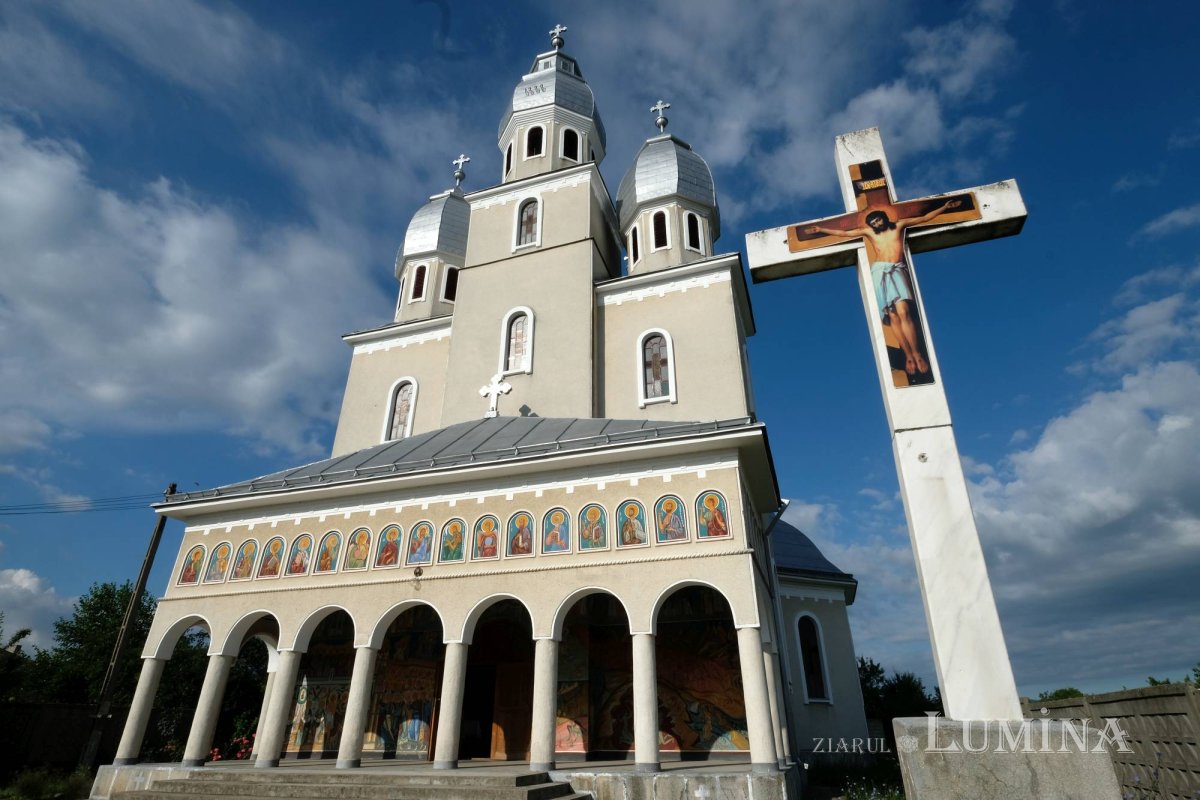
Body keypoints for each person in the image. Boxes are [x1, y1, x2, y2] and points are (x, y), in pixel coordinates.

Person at [804, 198, 961, 380]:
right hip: (879, 271)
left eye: (878, 220)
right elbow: (844, 233)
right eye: (873, 222)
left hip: (896, 269)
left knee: (904, 312)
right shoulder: (870, 232)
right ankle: (908, 355)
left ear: (883, 217)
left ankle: (917, 353)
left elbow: (924, 218)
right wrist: (821, 229)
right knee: (892, 315)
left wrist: (944, 207)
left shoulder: (900, 225)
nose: (876, 223)